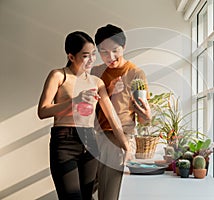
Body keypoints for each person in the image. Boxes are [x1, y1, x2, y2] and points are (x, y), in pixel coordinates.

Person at [37, 31, 130, 200]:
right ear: (71, 57)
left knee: (87, 197)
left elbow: (112, 117)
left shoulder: (97, 82)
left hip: (90, 142)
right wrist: (75, 101)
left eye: (93, 54)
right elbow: (43, 111)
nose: (91, 59)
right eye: (85, 55)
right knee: (71, 197)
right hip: (64, 142)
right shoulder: (59, 76)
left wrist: (126, 145)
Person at [91, 24, 152, 200]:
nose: (110, 57)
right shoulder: (96, 72)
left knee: (108, 192)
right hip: (94, 136)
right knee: (85, 188)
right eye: (103, 52)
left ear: (124, 47)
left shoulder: (135, 73)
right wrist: (108, 91)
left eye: (115, 50)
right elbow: (86, 109)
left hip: (119, 137)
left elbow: (143, 118)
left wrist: (146, 115)